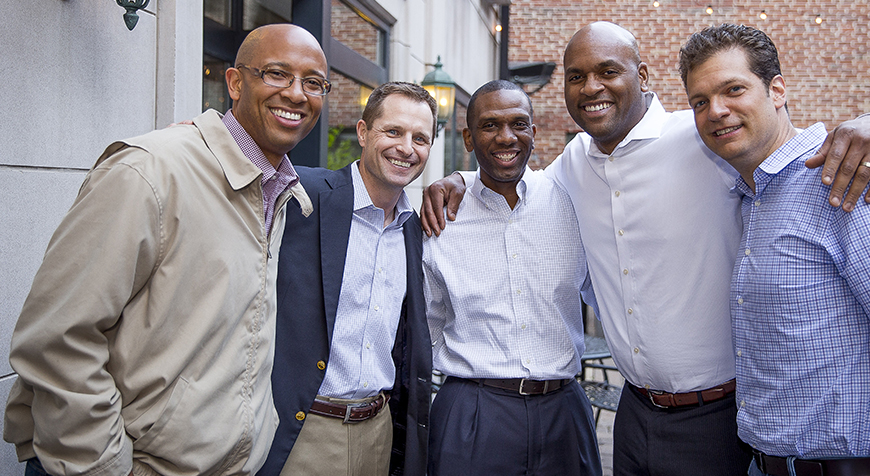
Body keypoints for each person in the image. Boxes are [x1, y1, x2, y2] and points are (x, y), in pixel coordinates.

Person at [421, 21, 870, 476]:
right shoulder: (571, 166)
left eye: (608, 71)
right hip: (633, 414)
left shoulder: (707, 137)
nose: (591, 86)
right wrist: (460, 179)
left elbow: (782, 146)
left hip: (724, 417)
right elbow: (512, 178)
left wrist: (862, 127)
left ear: (643, 75)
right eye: (576, 76)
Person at [3, 24, 327, 475]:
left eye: (313, 83)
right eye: (276, 74)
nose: (296, 94)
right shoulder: (150, 172)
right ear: (235, 82)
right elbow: (57, 338)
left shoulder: (279, 191)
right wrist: (104, 467)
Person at [679, 24, 870, 476]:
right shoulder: (750, 197)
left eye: (733, 90)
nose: (716, 111)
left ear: (777, 90)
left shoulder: (842, 180)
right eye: (700, 102)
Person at [423, 80, 602, 476]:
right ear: (468, 138)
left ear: (534, 134)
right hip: (473, 412)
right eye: (489, 126)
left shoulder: (571, 201)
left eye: (518, 124)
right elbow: (427, 324)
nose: (507, 137)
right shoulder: (440, 219)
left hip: (563, 411)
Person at [258, 82, 435, 476]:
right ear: (362, 131)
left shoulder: (415, 228)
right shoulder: (302, 193)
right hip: (302, 431)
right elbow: (229, 168)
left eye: (420, 138)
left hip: (379, 432)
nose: (406, 148)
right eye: (393, 131)